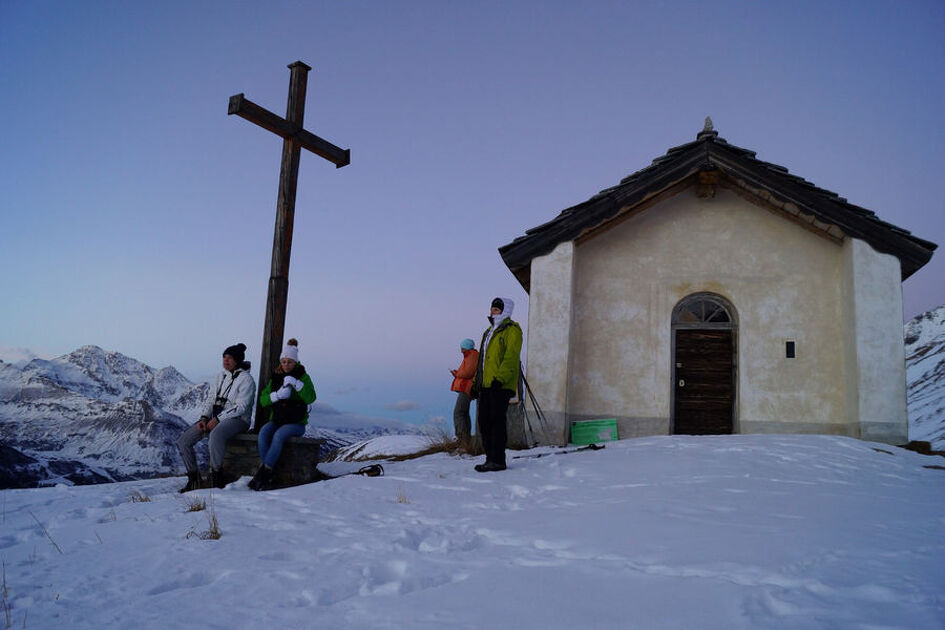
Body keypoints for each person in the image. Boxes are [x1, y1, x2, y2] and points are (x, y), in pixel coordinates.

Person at [177, 343, 256, 492]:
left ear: (238, 360)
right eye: (224, 357)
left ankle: (216, 477)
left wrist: (218, 419)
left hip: (238, 420)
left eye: (230, 358)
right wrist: (203, 418)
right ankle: (194, 479)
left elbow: (241, 407)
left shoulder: (247, 380)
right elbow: (211, 400)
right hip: (214, 418)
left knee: (216, 434)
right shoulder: (220, 376)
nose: (226, 360)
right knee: (183, 441)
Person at [249, 338, 317, 491]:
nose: (286, 365)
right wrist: (277, 395)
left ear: (296, 362)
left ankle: (262, 474)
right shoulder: (276, 377)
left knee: (279, 435)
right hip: (278, 419)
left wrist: (297, 384)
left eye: (290, 362)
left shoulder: (303, 377)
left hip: (297, 423)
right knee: (263, 433)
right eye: (284, 361)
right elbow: (263, 400)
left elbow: (311, 397)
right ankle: (269, 473)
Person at [472, 297, 522, 472]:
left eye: (497, 308)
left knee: (496, 421)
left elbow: (511, 357)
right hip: (486, 385)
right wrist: (475, 383)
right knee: (484, 421)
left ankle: (498, 460)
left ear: (506, 310)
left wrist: (499, 379)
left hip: (500, 385)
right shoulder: (488, 332)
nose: (493, 311)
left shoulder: (512, 330)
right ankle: (489, 459)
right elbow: (482, 361)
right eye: (492, 308)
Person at [450, 338, 479, 445]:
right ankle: (466, 440)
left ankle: (462, 438)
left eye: (462, 347)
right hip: (467, 388)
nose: (461, 349)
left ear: (466, 347)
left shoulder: (472, 356)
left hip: (467, 388)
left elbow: (468, 372)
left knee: (459, 412)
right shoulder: (470, 356)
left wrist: (457, 374)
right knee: (464, 413)